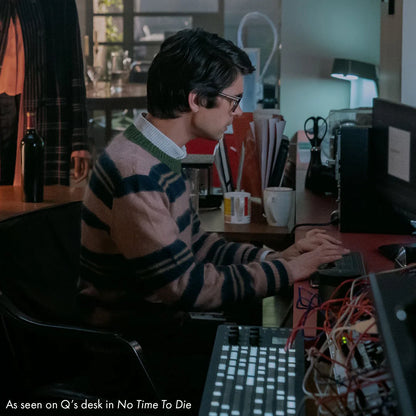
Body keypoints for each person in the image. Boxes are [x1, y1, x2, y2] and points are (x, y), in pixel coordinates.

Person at [78, 28, 348, 408]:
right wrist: (289, 271)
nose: (237, 113)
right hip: (133, 356)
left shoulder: (158, 153)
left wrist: (278, 258)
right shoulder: (135, 171)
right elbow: (185, 288)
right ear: (196, 100)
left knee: (284, 359)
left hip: (160, 333)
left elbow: (196, 243)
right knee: (293, 385)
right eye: (233, 101)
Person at [0, 0, 90, 186]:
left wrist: (79, 141)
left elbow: (74, 68)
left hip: (42, 109)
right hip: (4, 102)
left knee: (38, 199)